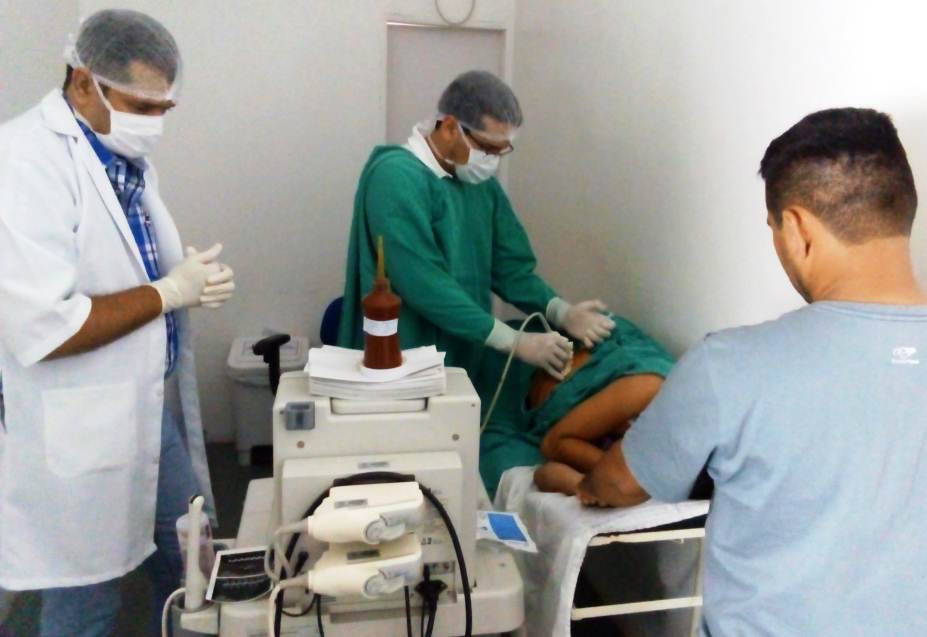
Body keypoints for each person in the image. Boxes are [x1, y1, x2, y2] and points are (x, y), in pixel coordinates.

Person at [577, 108, 927, 635]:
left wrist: (591, 485)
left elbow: (621, 483)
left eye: (773, 229)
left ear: (798, 228)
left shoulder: (730, 366)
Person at [0, 10, 235, 637]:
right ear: (84, 82)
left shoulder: (120, 155)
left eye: (164, 109)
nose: (153, 123)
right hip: (77, 426)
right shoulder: (23, 161)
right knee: (86, 606)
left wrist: (180, 278)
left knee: (193, 565)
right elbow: (46, 328)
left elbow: (121, 263)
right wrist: (167, 293)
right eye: (141, 106)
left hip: (145, 410)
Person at [338, 70, 615, 386]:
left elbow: (511, 269)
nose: (493, 159)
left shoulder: (480, 185)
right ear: (450, 127)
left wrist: (560, 311)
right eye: (488, 148)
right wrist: (513, 341)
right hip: (401, 359)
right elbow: (423, 282)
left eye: (502, 150)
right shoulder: (395, 178)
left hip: (466, 351)